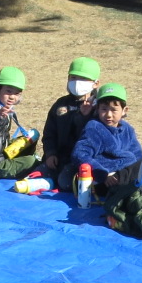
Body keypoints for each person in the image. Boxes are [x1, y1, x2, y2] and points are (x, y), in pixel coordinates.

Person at [68, 84, 142, 200]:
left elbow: (137, 153)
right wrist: (102, 173)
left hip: (125, 171)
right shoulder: (94, 128)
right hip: (105, 179)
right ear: (97, 109)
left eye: (114, 110)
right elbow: (80, 154)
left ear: (124, 110)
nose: (108, 114)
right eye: (104, 109)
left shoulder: (127, 129)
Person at [43, 57, 100, 187]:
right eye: (73, 78)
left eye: (83, 79)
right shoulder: (60, 104)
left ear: (95, 83)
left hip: (82, 162)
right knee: (37, 175)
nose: (77, 82)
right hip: (58, 158)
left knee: (65, 183)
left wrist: (85, 117)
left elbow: (93, 138)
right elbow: (49, 133)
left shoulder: (99, 108)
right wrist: (50, 153)